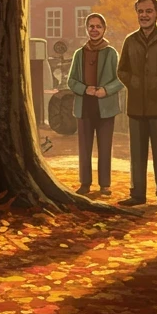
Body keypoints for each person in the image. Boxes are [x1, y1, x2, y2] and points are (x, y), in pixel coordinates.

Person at [117, 0, 157, 207]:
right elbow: (122, 70)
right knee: (137, 154)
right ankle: (137, 195)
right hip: (136, 108)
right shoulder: (130, 41)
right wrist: (134, 82)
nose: (144, 15)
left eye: (149, 11)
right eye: (140, 11)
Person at [68, 14, 122, 197]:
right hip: (84, 106)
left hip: (106, 107)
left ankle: (105, 185)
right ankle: (85, 183)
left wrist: (106, 90)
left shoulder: (111, 53)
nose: (94, 29)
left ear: (104, 29)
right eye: (91, 26)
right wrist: (85, 89)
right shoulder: (79, 54)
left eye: (98, 26)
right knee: (84, 149)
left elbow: (121, 79)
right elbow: (71, 81)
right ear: (86, 29)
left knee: (105, 147)